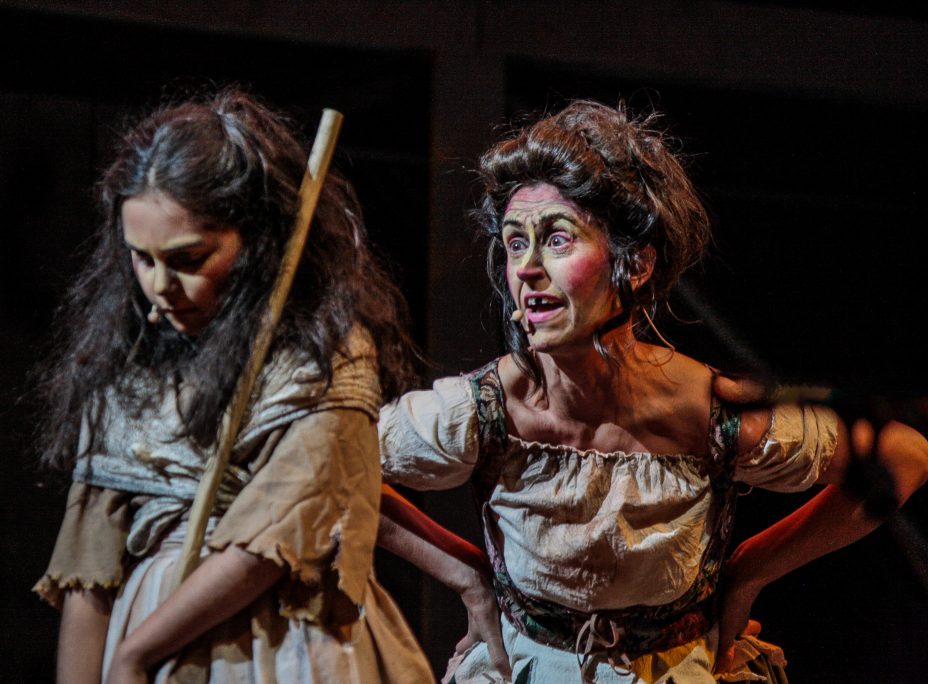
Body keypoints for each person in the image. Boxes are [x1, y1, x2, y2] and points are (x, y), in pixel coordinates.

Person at [376, 100, 928, 683]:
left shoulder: (711, 410)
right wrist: (465, 575)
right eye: (515, 244)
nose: (527, 268)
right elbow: (331, 459)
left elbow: (904, 457)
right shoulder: (487, 410)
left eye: (558, 240)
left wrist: (751, 570)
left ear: (636, 264)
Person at [32, 87, 435, 683]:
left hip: (279, 639)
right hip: (141, 629)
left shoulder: (324, 355)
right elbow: (88, 566)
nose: (159, 285)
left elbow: (276, 535)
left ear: (256, 242)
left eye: (188, 259)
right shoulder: (130, 362)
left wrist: (138, 652)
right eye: (142, 258)